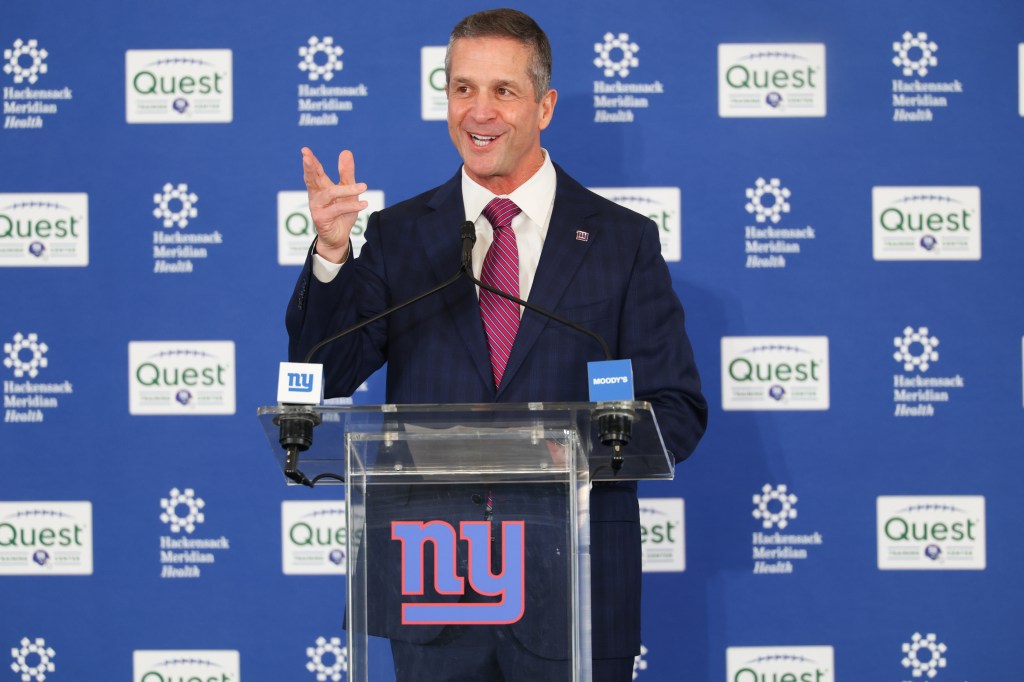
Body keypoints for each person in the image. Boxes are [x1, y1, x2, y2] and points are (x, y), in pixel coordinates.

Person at [287, 9, 707, 681]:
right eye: (461, 89)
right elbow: (323, 371)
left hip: (572, 590)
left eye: (502, 92)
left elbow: (676, 411)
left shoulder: (622, 243)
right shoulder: (400, 235)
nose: (478, 111)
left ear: (544, 106)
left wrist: (566, 453)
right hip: (432, 585)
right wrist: (333, 255)